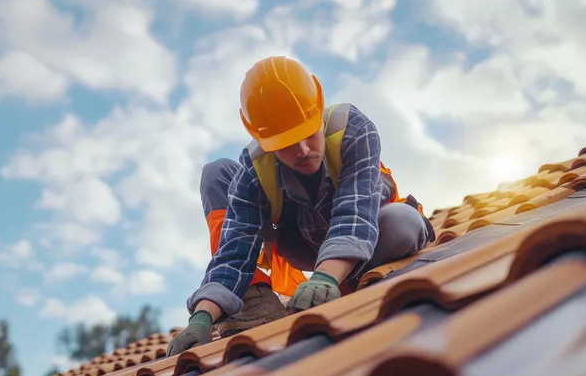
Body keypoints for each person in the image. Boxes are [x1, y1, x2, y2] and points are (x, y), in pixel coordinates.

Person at [166, 55, 433, 357]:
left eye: (308, 134)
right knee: (216, 171)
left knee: (402, 223)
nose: (303, 151)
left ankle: (352, 279)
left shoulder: (352, 128)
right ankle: (255, 303)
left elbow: (354, 212)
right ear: (261, 138)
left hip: (375, 232)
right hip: (307, 247)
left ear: (318, 109)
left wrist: (326, 277)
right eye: (287, 144)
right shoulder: (254, 169)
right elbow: (235, 249)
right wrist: (202, 317)